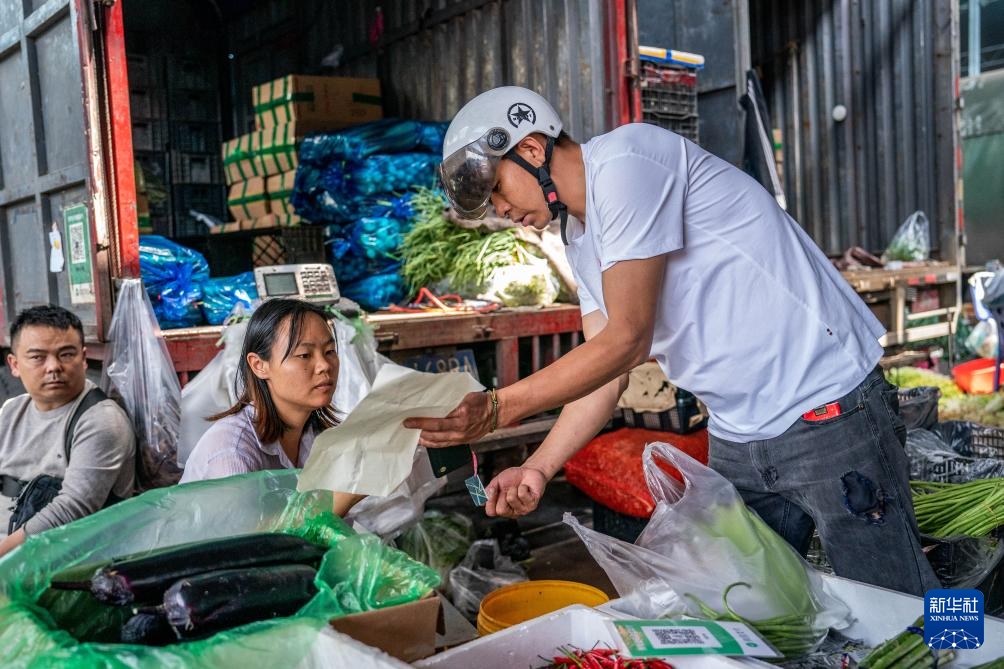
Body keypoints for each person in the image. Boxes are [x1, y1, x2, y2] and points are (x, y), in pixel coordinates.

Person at [405, 86, 940, 595]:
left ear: (530, 148)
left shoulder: (627, 161)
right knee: (751, 608)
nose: (500, 209)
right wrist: (539, 466)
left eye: (498, 189)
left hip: (828, 409)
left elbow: (627, 340)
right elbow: (605, 373)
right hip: (738, 436)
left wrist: (499, 408)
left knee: (903, 599)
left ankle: (971, 639)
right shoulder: (579, 239)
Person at [181, 298, 363, 516]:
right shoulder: (232, 451)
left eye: (330, 351)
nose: (324, 365)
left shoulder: (316, 436)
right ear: (259, 365)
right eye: (304, 355)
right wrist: (345, 497)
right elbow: (250, 535)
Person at [0, 305, 135, 557]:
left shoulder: (101, 421)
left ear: (83, 359)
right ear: (14, 365)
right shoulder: (11, 411)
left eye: (66, 354)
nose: (53, 367)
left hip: (59, 559)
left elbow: (71, 510)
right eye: (38, 357)